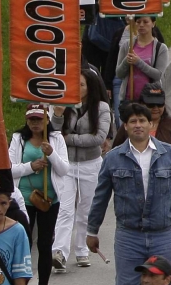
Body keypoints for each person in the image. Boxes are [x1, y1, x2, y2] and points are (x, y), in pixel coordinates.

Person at [88, 103, 171, 285]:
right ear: (125, 126)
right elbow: (100, 198)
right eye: (133, 121)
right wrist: (92, 230)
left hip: (164, 235)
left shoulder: (169, 154)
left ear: (151, 124)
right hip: (128, 236)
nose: (138, 125)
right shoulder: (112, 158)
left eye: (142, 121)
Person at [51, 69, 112, 269]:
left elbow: (98, 137)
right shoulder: (64, 104)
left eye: (82, 85)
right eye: (75, 84)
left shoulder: (102, 108)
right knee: (66, 208)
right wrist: (58, 116)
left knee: (86, 209)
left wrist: (70, 139)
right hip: (66, 164)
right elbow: (54, 133)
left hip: (91, 164)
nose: (78, 89)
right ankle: (59, 251)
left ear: (91, 87)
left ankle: (82, 250)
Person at [10, 104, 72, 285]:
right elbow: (9, 169)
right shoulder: (18, 139)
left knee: (45, 244)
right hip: (24, 199)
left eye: (39, 119)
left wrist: (51, 154)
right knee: (24, 243)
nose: (35, 124)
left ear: (47, 120)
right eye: (32, 120)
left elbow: (64, 170)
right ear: (26, 120)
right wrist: (31, 167)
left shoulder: (56, 138)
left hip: (49, 199)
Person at [111, 84, 171, 186]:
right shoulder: (130, 126)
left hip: (167, 184)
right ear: (141, 103)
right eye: (151, 105)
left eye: (159, 104)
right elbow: (115, 155)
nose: (155, 108)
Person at [114, 16, 168, 106]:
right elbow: (119, 74)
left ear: (153, 23)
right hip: (129, 99)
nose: (141, 25)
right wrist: (126, 61)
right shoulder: (127, 45)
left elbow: (158, 75)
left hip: (150, 99)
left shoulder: (160, 48)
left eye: (145, 22)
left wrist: (138, 62)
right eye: (138, 22)